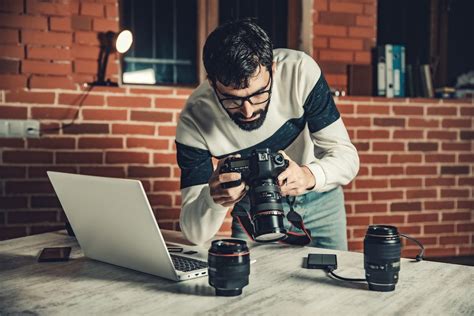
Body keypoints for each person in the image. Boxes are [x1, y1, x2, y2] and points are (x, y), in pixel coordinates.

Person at [175, 19, 359, 250]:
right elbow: (194, 234)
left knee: (334, 279)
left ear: (273, 68)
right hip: (250, 208)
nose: (248, 110)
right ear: (212, 84)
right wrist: (215, 199)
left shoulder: (299, 72)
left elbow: (347, 158)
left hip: (320, 199)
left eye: (258, 93)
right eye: (232, 98)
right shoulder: (194, 119)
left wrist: (308, 175)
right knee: (248, 283)